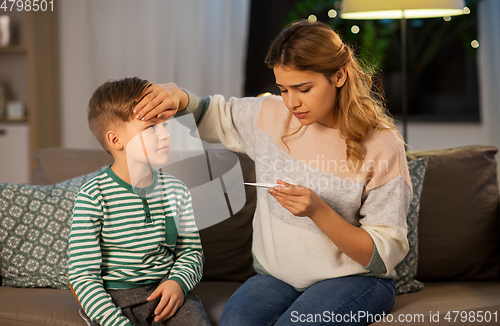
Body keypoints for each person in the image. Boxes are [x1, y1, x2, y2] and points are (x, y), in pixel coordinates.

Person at [134, 20, 411, 326]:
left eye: (304, 88)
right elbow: (214, 115)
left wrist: (318, 211)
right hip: (278, 277)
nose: (292, 102)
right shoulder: (271, 115)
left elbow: (383, 253)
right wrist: (180, 98)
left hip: (359, 280)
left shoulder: (382, 144)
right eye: (283, 89)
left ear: (339, 75)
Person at [68, 77, 211, 326]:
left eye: (164, 125)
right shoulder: (94, 195)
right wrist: (115, 322)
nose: (165, 135)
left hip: (166, 294)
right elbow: (82, 276)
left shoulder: (177, 191)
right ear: (115, 140)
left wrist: (178, 282)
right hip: (113, 301)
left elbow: (191, 252)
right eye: (151, 128)